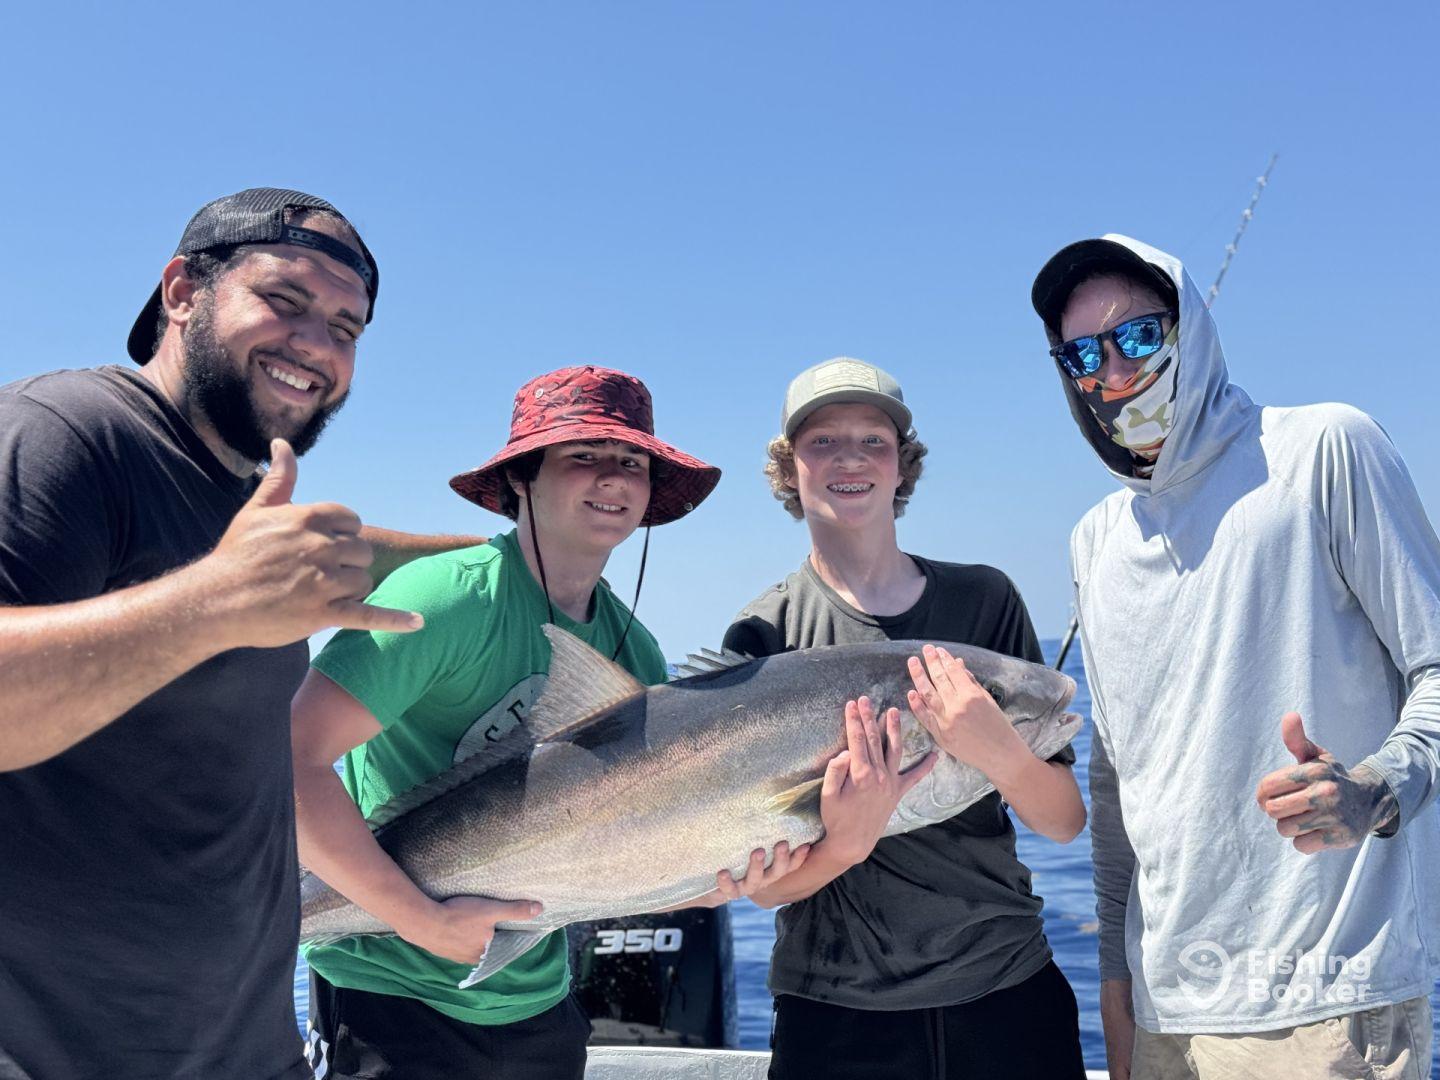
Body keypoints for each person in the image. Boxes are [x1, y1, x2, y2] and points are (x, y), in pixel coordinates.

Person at [0, 188, 489, 1079]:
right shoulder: (66, 432)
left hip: (243, 1047)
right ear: (183, 290)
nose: (318, 346)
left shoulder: (237, 500)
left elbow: (350, 547)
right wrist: (217, 605)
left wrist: (513, 559)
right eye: (285, 302)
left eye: (347, 327)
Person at [291, 365, 801, 1079]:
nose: (614, 478)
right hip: (390, 998)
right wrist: (421, 920)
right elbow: (289, 762)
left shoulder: (636, 649)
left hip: (539, 1005)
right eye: (583, 456)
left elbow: (622, 844)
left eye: (633, 462)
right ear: (522, 478)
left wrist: (718, 875)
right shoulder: (447, 600)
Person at [1031, 235, 1440, 1079]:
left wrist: (1375, 788)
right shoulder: (1094, 541)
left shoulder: (1325, 449)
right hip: (1163, 1014)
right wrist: (1118, 985)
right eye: (1083, 353)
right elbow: (1118, 791)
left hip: (1324, 1006)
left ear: (1190, 330)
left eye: (1138, 337)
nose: (1113, 370)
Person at [723, 357, 1089, 1080]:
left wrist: (1000, 754)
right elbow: (764, 886)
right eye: (822, 441)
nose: (850, 457)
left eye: (873, 440)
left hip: (1007, 985)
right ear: (788, 468)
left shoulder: (985, 601)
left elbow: (1063, 822)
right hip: (835, 1010)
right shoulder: (764, 631)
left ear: (902, 466)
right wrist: (846, 843)